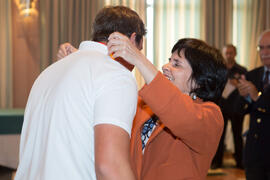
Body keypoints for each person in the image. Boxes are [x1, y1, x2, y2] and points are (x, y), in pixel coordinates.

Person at [15, 6, 146, 180]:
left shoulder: (47, 73)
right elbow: (110, 166)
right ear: (132, 39)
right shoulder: (116, 74)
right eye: (139, 48)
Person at [107, 32, 228, 179]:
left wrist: (139, 59)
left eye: (176, 64)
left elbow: (179, 114)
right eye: (169, 61)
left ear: (199, 80)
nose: (165, 66)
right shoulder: (147, 103)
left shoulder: (210, 116)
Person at [237, 30, 270, 180]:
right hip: (254, 153)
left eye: (269, 47)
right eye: (261, 48)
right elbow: (237, 111)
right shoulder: (252, 75)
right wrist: (244, 97)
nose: (264, 52)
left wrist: (256, 96)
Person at [212, 44, 247, 169]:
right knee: (219, 136)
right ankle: (217, 162)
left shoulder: (242, 70)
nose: (228, 55)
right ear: (223, 54)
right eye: (226, 53)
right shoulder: (218, 68)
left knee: (237, 135)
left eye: (231, 53)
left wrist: (238, 84)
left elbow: (247, 89)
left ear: (235, 54)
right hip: (221, 107)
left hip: (237, 108)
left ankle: (240, 162)